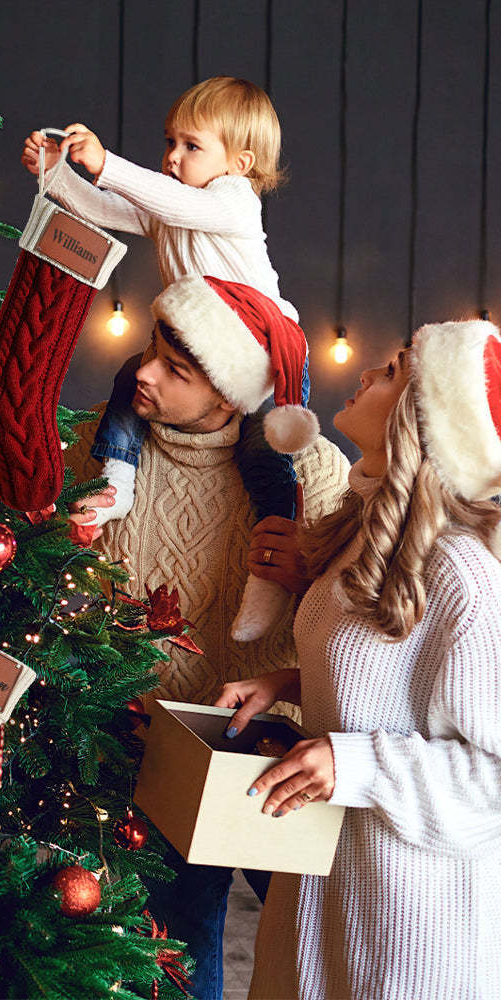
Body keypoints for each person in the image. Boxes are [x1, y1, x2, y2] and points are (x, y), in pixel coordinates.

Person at [64, 274, 349, 1000]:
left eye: (177, 370)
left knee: (318, 962)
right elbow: (50, 587)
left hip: (271, 757)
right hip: (145, 757)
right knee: (178, 964)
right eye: (153, 351)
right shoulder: (102, 452)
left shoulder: (313, 473)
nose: (145, 374)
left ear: (229, 395)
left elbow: (371, 623)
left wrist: (310, 575)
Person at [216, 320, 501, 998]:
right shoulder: (357, 532)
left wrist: (355, 763)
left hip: (414, 922)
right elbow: (392, 681)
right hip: (323, 888)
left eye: (396, 369)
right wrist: (285, 683)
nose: (370, 371)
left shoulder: (463, 571)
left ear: (426, 414)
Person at [23, 76, 317, 642]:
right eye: (170, 142)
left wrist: (106, 162)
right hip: (192, 341)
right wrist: (55, 173)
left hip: (260, 350)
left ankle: (269, 570)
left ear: (240, 161)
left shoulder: (234, 201)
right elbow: (108, 209)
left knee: (264, 460)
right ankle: (117, 479)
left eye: (191, 146)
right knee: (130, 379)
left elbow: (166, 197)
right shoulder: (174, 203)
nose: (173, 157)